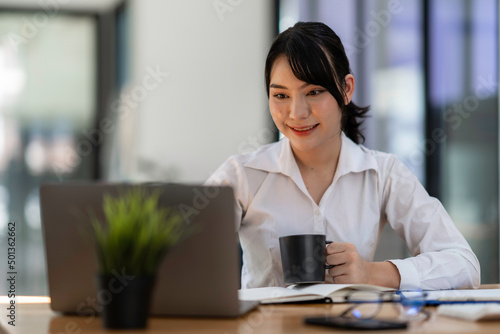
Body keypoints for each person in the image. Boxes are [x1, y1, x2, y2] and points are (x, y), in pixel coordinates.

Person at [206, 22, 480, 290]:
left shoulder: (383, 173)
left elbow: (464, 265)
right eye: (280, 95)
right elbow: (177, 256)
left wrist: (371, 272)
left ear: (346, 89)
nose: (296, 113)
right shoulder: (242, 175)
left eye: (313, 92)